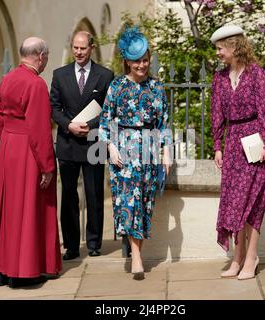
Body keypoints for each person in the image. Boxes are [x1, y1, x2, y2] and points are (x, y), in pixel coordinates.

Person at [0, 37, 62, 288]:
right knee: (30, 208)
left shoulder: (7, 79)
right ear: (40, 56)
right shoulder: (36, 84)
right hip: (29, 151)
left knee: (9, 210)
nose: (46, 61)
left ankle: (3, 270)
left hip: (9, 147)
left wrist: (9, 142)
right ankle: (25, 271)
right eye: (47, 56)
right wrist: (48, 167)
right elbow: (40, 130)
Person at [99, 26, 172, 280]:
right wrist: (111, 146)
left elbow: (164, 123)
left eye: (144, 59)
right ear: (127, 62)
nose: (141, 65)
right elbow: (105, 122)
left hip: (150, 151)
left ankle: (136, 251)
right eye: (136, 61)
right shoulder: (117, 86)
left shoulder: (157, 87)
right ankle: (137, 257)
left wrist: (166, 152)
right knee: (128, 202)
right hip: (124, 152)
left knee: (144, 204)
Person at [210, 25, 265, 280]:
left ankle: (251, 257)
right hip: (232, 145)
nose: (217, 53)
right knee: (234, 204)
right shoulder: (219, 78)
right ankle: (237, 258)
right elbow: (216, 113)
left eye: (220, 48)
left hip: (255, 142)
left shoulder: (256, 74)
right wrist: (217, 146)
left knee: (252, 204)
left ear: (233, 46)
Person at [50, 31, 114, 260]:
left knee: (94, 193)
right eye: (75, 48)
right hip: (67, 143)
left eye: (83, 48)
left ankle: (95, 243)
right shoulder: (59, 75)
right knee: (68, 196)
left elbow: (109, 110)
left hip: (93, 142)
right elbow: (54, 108)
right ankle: (72, 246)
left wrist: (88, 124)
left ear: (91, 48)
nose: (78, 52)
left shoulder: (106, 76)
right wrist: (69, 126)